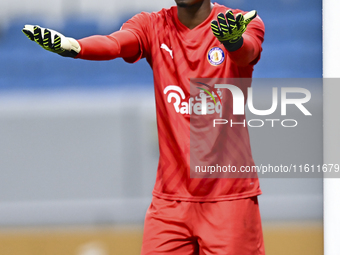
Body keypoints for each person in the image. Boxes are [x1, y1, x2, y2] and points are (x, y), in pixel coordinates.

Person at [22, 0, 265, 254]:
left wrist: (233, 41)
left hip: (229, 197)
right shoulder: (152, 25)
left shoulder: (239, 23)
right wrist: (75, 47)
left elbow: (247, 52)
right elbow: (116, 43)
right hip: (169, 204)